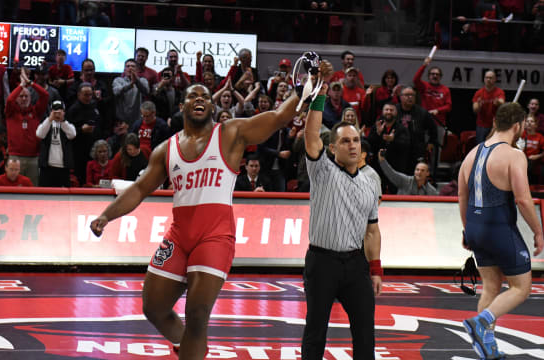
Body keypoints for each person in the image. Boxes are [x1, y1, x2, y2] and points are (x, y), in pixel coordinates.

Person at [90, 78, 303, 359]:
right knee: (153, 308)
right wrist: (107, 216)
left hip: (214, 235)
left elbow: (278, 118)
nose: (200, 99)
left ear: (213, 106)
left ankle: (193, 344)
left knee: (197, 314)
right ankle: (189, 344)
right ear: (182, 106)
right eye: (193, 96)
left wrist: (303, 88)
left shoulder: (230, 133)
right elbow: (141, 188)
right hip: (179, 235)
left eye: (205, 96)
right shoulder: (166, 149)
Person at [302, 76, 382, 358]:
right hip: (322, 262)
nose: (352, 145)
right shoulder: (322, 170)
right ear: (333, 148)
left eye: (357, 140)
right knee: (316, 332)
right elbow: (311, 137)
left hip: (355, 263)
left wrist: (375, 268)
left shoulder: (371, 182)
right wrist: (319, 97)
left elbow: (372, 231)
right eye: (345, 141)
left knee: (365, 332)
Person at [459, 102, 543, 359]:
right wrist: (538, 232)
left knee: (491, 287)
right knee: (521, 287)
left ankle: (487, 349)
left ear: (495, 123)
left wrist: (467, 230)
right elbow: (523, 199)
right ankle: (481, 321)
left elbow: (462, 196)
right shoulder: (514, 155)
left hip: (474, 226)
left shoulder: (471, 153)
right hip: (499, 228)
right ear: (517, 126)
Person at [36, 100, 77, 187]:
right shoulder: (46, 123)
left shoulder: (67, 124)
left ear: (64, 112)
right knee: (45, 195)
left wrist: (62, 121)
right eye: (55, 110)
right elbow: (39, 134)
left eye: (60, 110)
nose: (57, 113)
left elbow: (72, 134)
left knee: (63, 197)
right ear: (51, 111)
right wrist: (50, 119)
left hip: (63, 167)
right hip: (47, 167)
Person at [473, 70, 505, 143]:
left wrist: (498, 102)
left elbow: (502, 103)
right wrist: (479, 105)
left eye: (490, 78)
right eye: (486, 77)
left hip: (495, 125)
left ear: (494, 79)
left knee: (493, 146)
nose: (488, 80)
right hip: (481, 125)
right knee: (481, 146)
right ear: (484, 79)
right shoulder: (479, 93)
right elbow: (475, 110)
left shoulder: (499, 92)